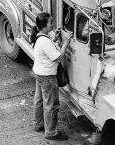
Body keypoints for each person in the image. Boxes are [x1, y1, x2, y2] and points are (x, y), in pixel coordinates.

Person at [31, 12, 72, 141]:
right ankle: (51, 132)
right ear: (44, 26)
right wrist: (66, 42)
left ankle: (38, 124)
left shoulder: (42, 36)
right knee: (52, 105)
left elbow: (47, 47)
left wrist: (55, 39)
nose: (53, 24)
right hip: (47, 76)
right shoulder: (44, 41)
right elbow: (58, 58)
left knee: (39, 100)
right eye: (51, 22)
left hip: (39, 72)